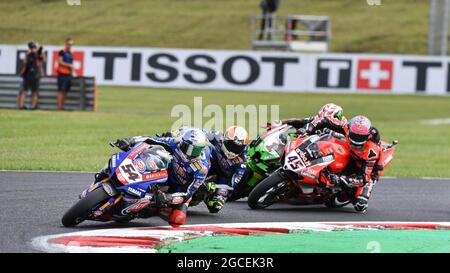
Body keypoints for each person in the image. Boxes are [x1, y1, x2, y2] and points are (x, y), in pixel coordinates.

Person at [109, 128, 211, 227]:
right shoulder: (176, 143)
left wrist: (169, 198)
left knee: (177, 219)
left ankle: (138, 212)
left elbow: (188, 193)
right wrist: (131, 140)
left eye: (195, 150)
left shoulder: (201, 169)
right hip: (165, 173)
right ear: (183, 142)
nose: (190, 153)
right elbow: (151, 139)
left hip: (178, 190)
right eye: (188, 148)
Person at [328, 116, 383, 213]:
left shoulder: (371, 151)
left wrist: (343, 180)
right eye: (355, 135)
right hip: (352, 155)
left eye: (361, 137)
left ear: (368, 136)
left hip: (368, 168)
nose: (357, 139)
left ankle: (351, 194)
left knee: (360, 205)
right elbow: (326, 121)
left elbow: (364, 178)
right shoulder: (346, 126)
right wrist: (309, 127)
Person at [203, 126, 248, 213]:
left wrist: (216, 187)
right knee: (207, 146)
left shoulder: (243, 159)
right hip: (205, 165)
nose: (233, 151)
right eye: (231, 146)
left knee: (215, 206)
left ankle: (205, 195)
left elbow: (233, 184)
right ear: (224, 140)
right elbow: (197, 135)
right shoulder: (216, 135)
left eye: (238, 148)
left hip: (220, 178)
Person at [270, 103, 347, 135]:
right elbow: (300, 121)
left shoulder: (343, 127)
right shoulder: (317, 120)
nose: (320, 120)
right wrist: (280, 122)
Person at [17, 41, 46, 110]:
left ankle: (32, 106)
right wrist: (28, 54)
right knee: (25, 91)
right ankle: (22, 106)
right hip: (29, 74)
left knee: (34, 92)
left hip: (35, 75)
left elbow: (43, 60)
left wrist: (41, 53)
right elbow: (25, 62)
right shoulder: (29, 54)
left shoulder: (38, 54)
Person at [56, 37, 75, 111]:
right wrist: (69, 65)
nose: (70, 46)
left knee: (65, 91)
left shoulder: (71, 53)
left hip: (68, 74)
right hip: (62, 73)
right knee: (61, 91)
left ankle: (62, 106)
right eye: (68, 44)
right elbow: (59, 61)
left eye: (71, 44)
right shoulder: (62, 51)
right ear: (65, 44)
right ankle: (59, 107)